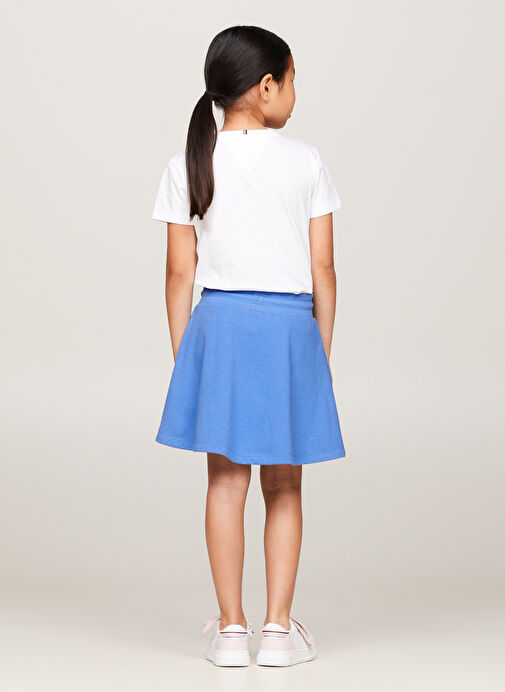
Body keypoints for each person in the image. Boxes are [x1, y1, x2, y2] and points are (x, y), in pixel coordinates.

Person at [151, 25, 346, 667]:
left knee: (225, 482)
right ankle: (278, 632)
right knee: (284, 486)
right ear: (266, 87)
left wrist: (190, 358)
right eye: (291, 81)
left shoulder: (188, 162)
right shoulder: (306, 161)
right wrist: (317, 353)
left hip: (221, 329)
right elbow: (323, 269)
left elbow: (179, 273)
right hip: (289, 329)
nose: (294, 94)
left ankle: (231, 631)